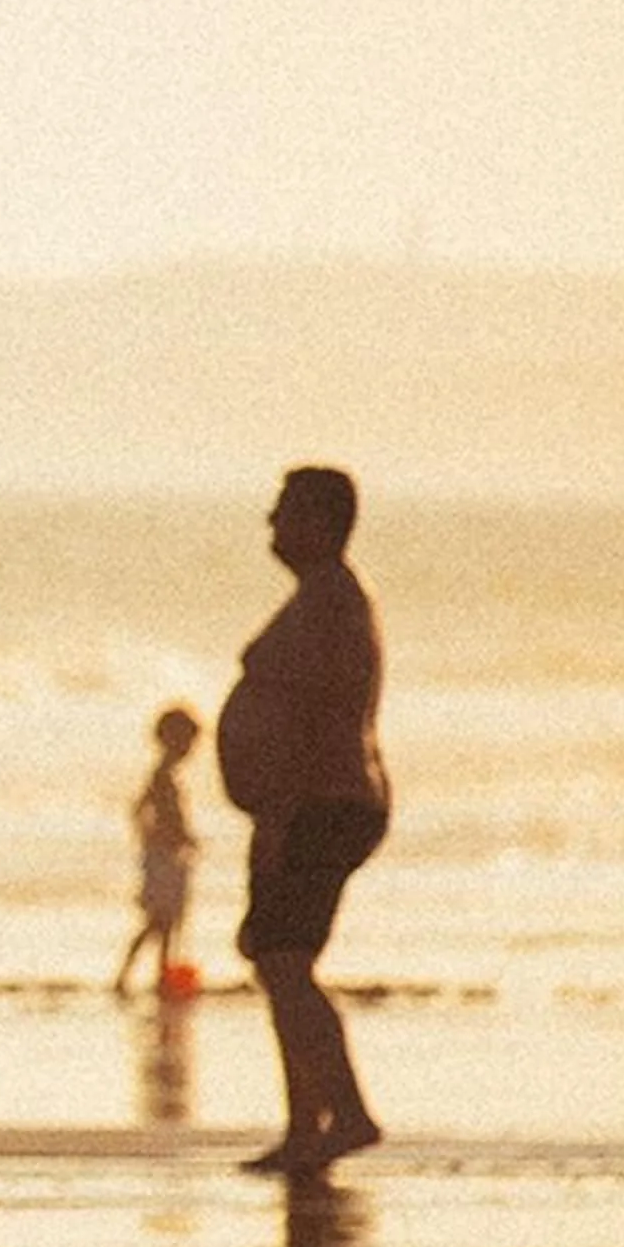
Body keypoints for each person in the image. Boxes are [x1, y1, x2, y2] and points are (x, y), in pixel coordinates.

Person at [215, 465, 387, 1175]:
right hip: (305, 805)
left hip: (321, 805)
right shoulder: (320, 598)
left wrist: (284, 812)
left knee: (284, 960)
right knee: (276, 958)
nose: (271, 525)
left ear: (319, 521)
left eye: (282, 511)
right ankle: (308, 1126)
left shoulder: (333, 604)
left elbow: (324, 715)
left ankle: (341, 1116)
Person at [111, 704, 202, 998]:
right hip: (163, 858)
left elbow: (145, 812)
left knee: (166, 921)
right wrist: (160, 839)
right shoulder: (162, 776)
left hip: (166, 856)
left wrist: (183, 839)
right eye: (187, 742)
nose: (190, 750)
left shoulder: (166, 775)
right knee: (158, 920)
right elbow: (144, 811)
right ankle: (125, 977)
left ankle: (160, 975)